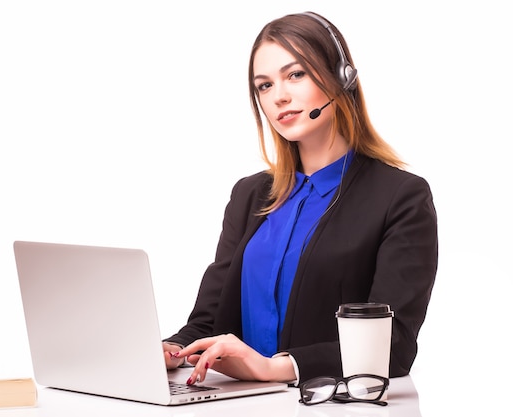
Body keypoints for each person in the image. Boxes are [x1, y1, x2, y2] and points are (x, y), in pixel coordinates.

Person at [162, 11, 438, 387]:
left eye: (296, 75)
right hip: (237, 405)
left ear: (341, 78)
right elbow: (209, 319)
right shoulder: (249, 195)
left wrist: (276, 368)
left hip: (325, 405)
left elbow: (394, 346)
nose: (279, 97)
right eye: (264, 85)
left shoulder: (400, 198)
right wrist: (173, 350)